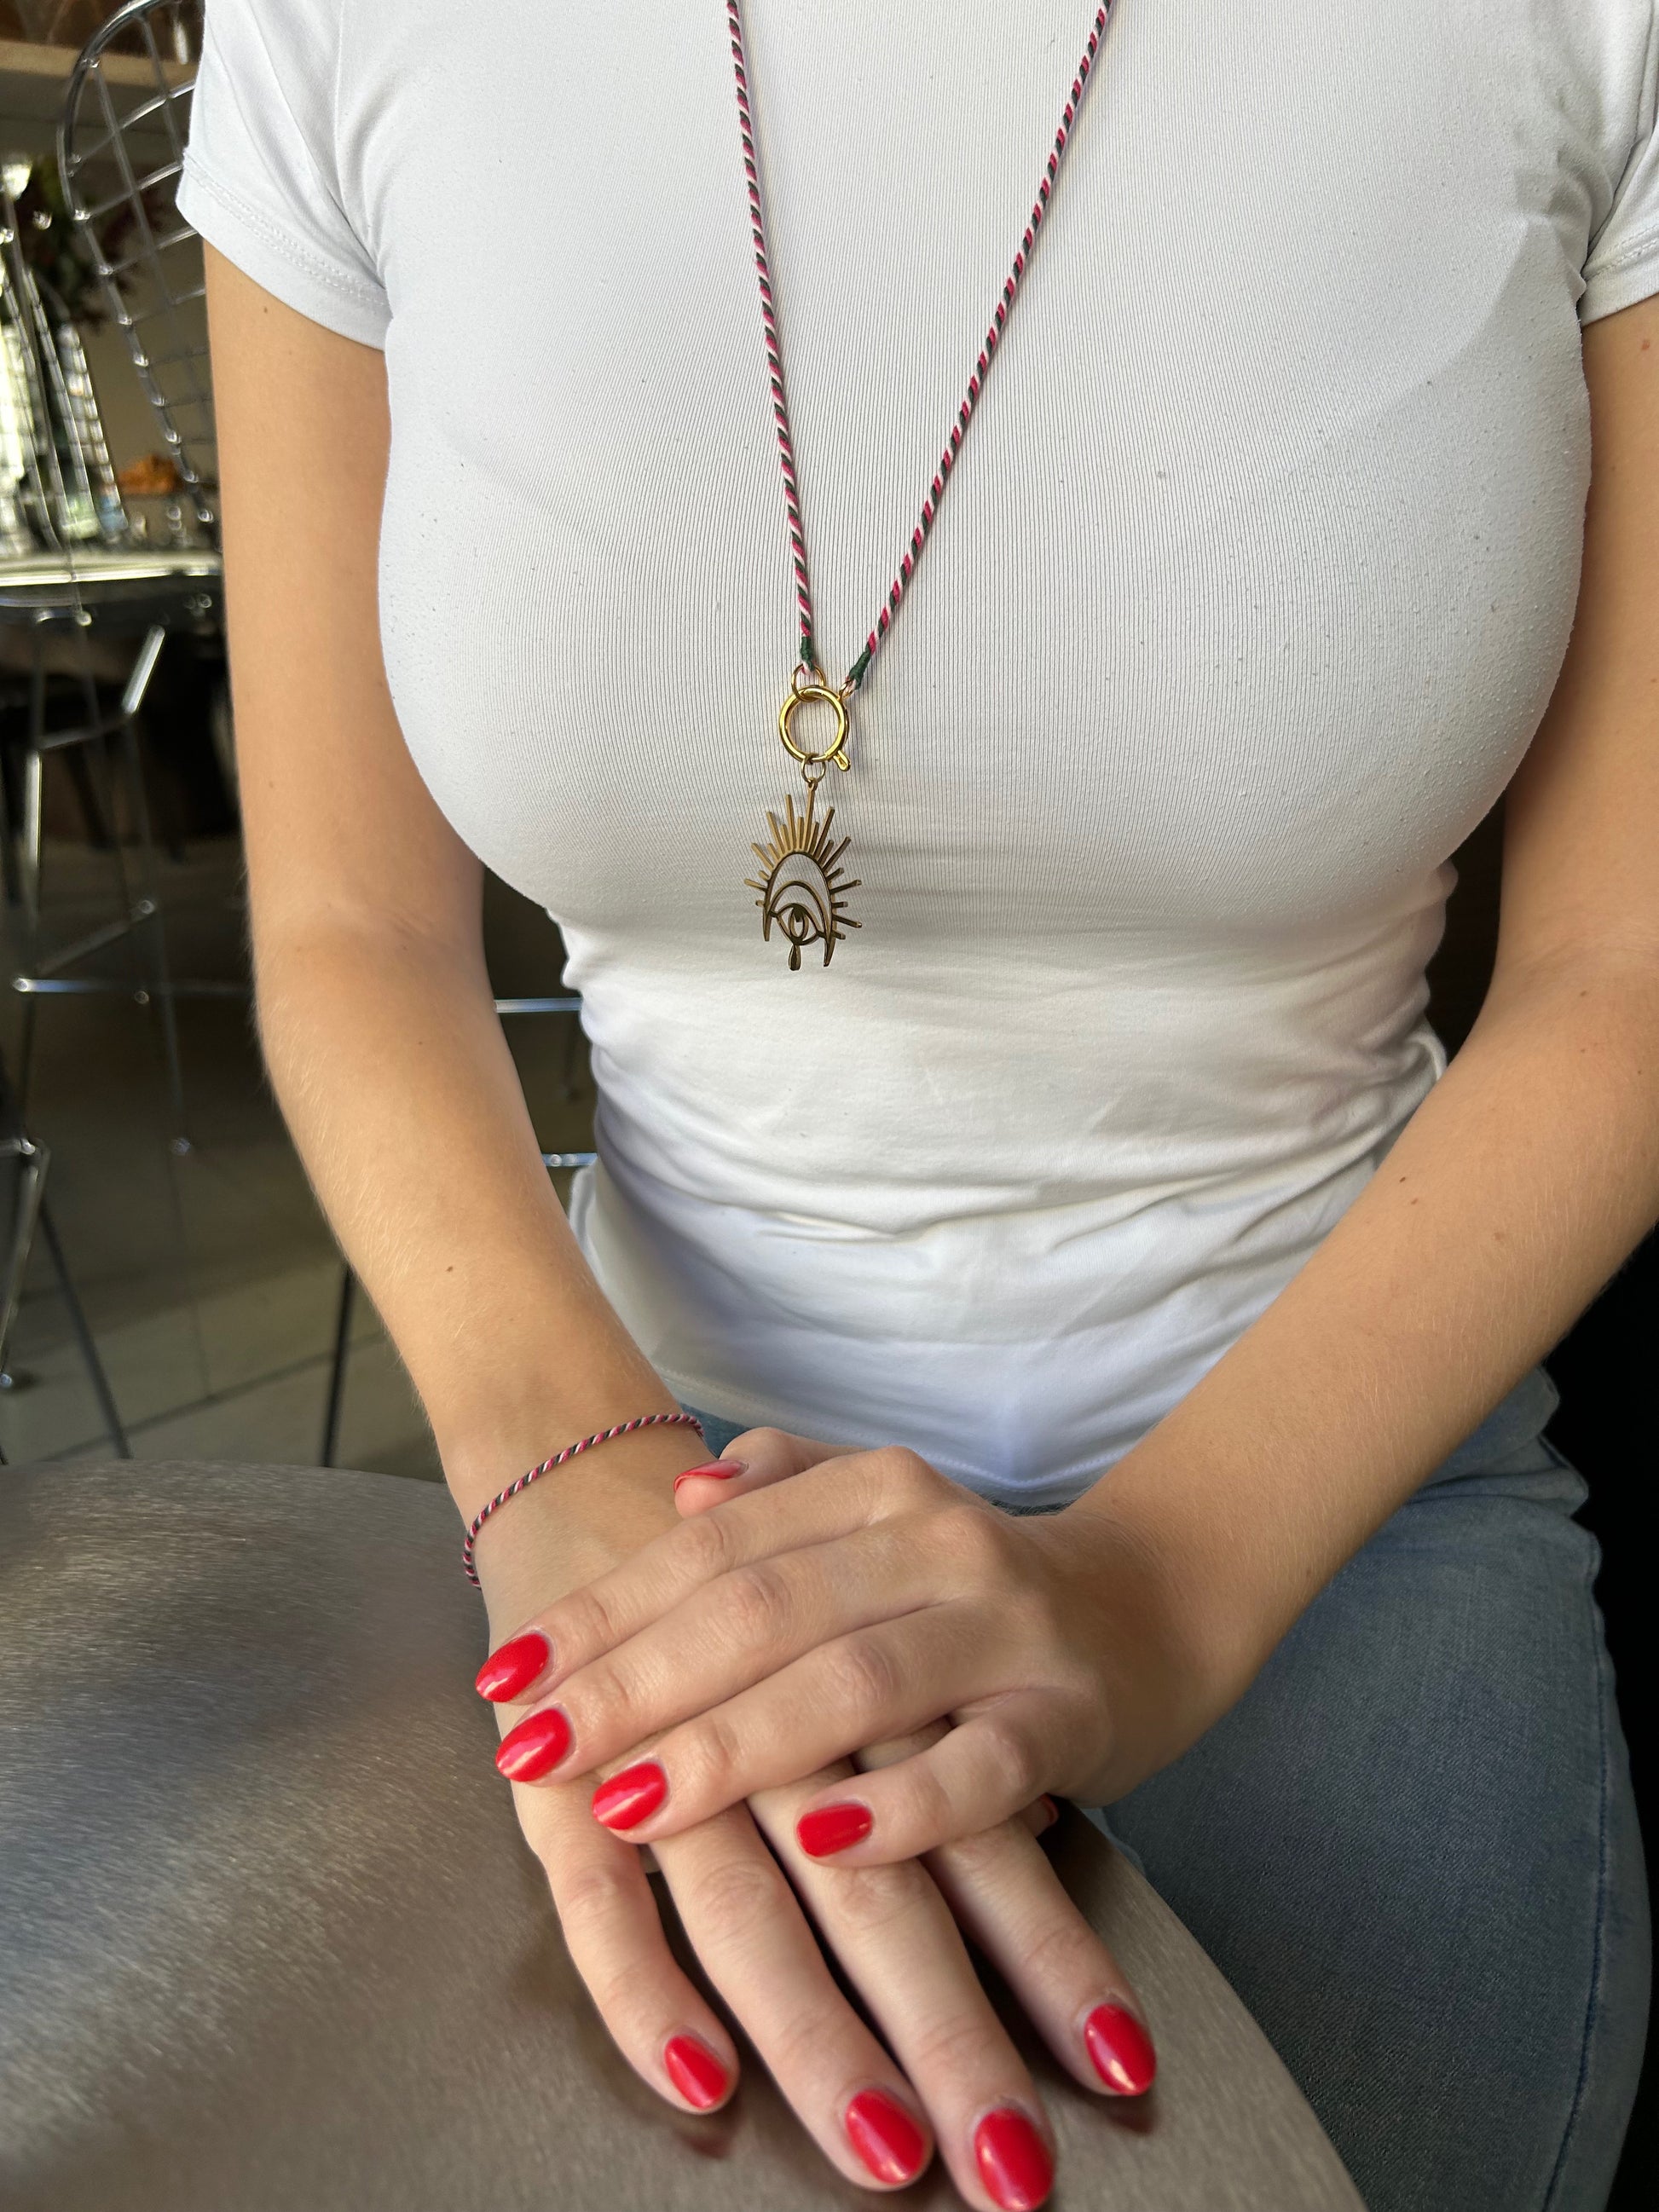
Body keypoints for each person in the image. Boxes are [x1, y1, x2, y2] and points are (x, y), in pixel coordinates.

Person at [178, 3, 1655, 2206]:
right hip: (624, 1490)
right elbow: (350, 929)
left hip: (1338, 1501)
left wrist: (1155, 1583)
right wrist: (571, 1475)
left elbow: (1622, 969)